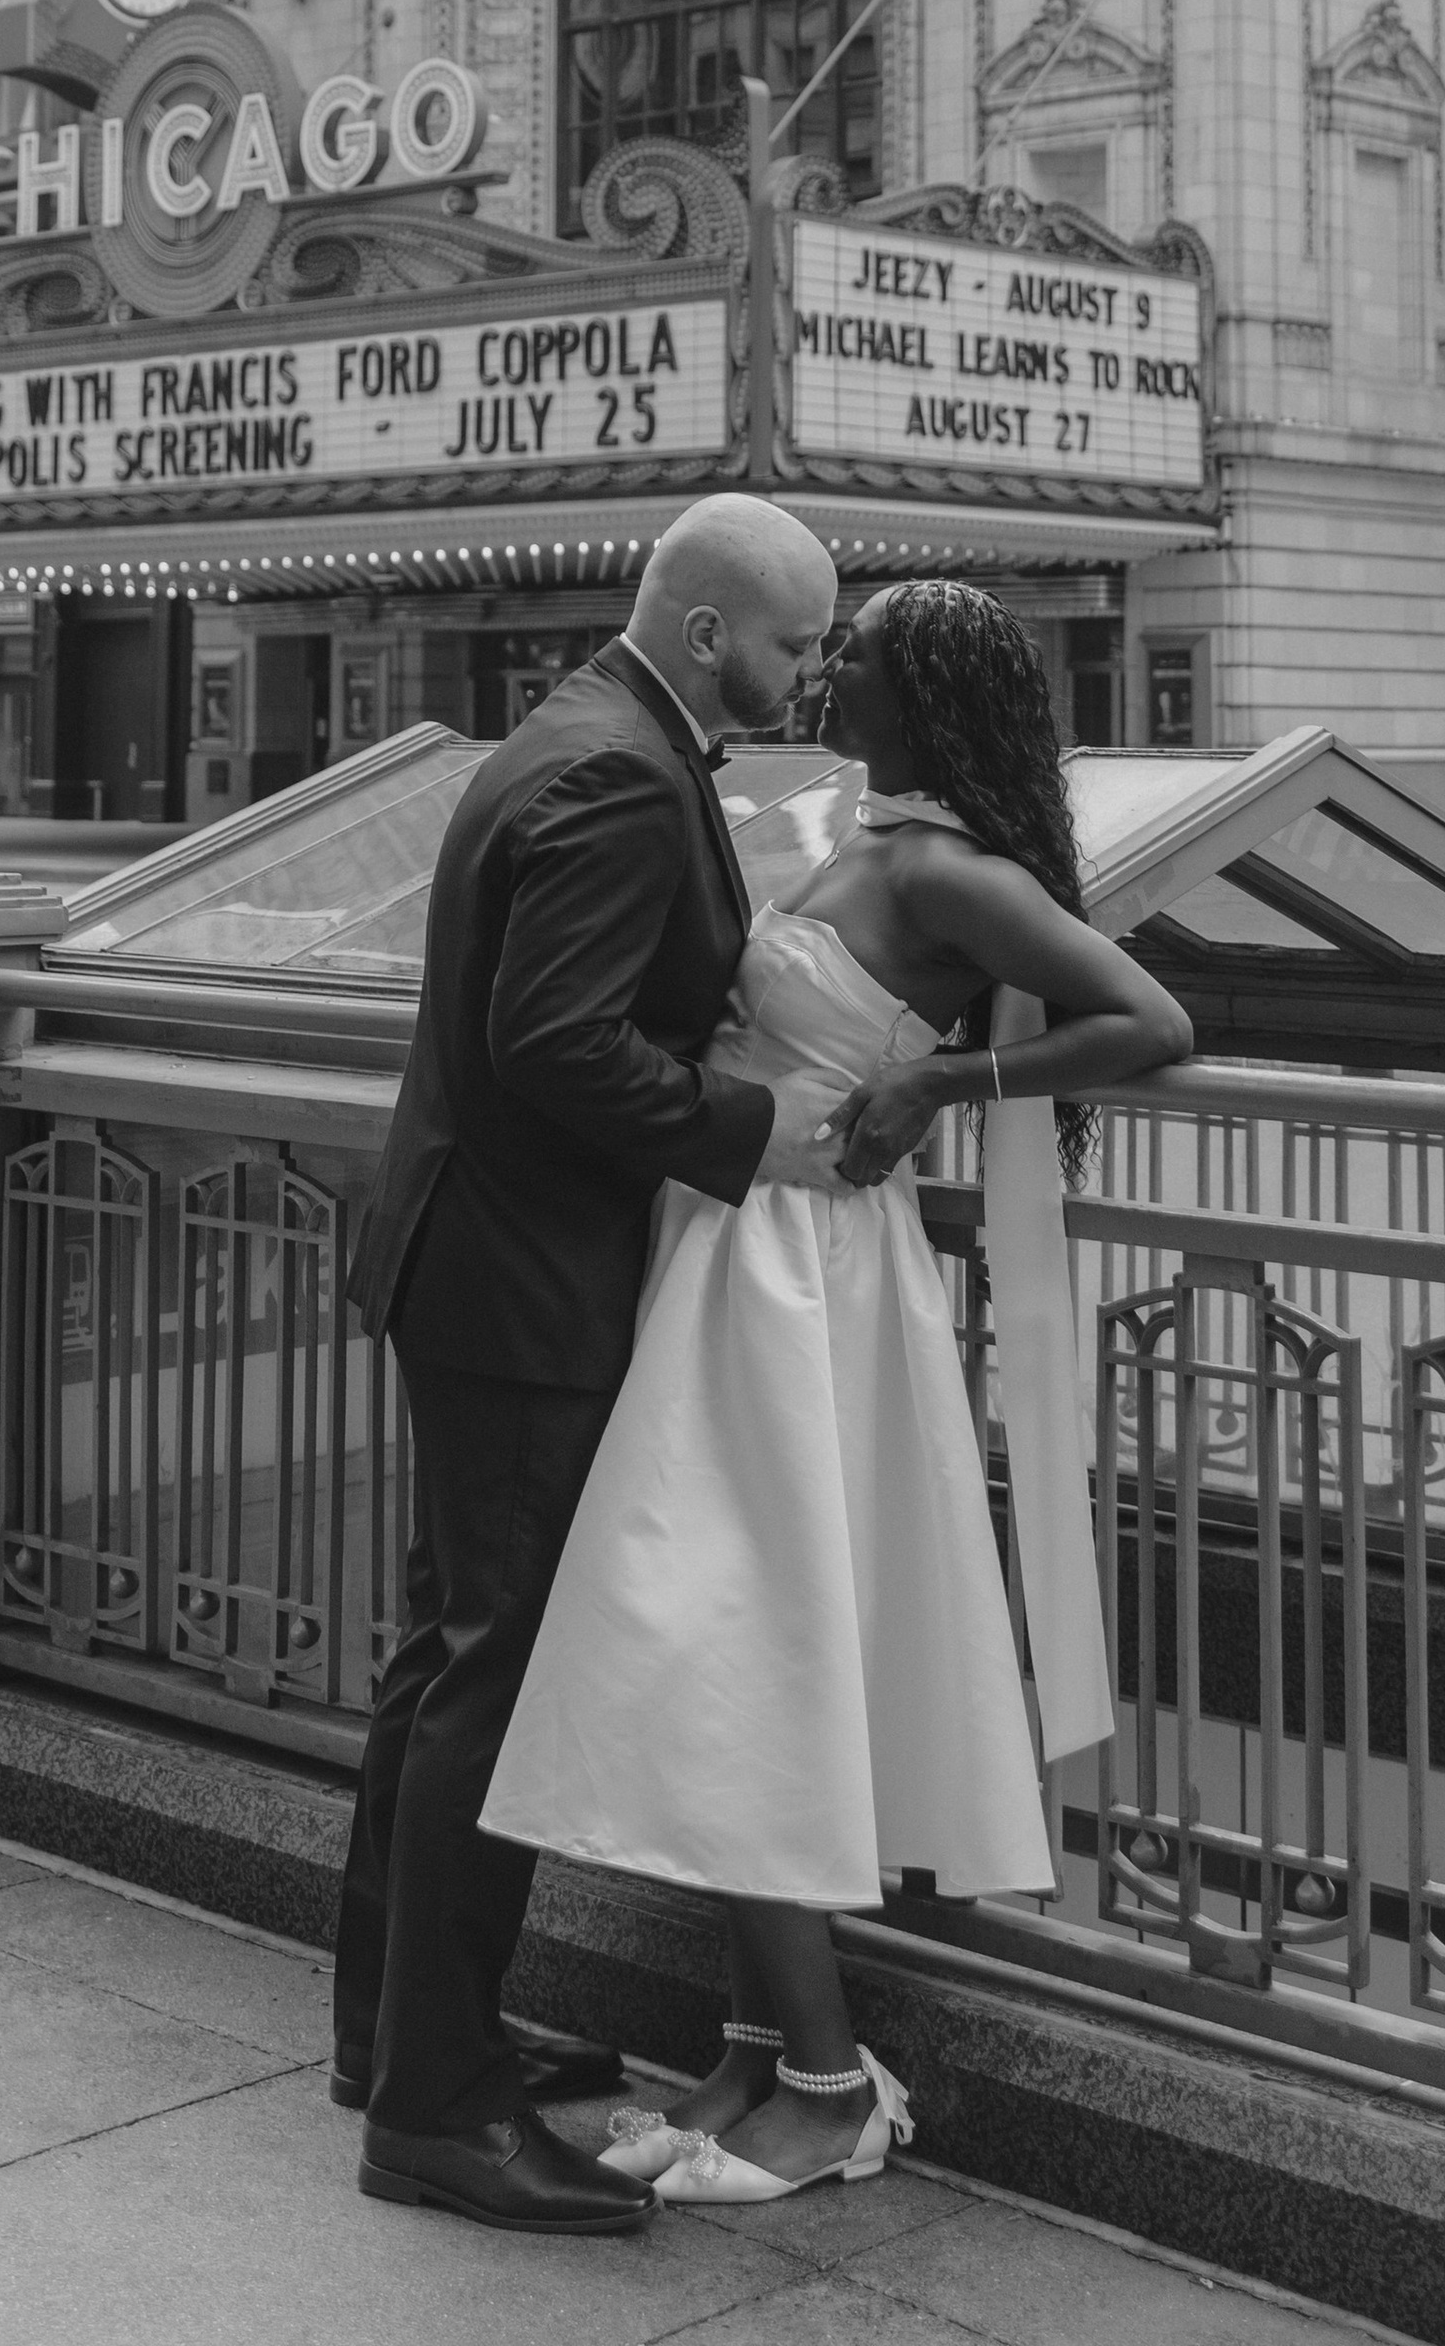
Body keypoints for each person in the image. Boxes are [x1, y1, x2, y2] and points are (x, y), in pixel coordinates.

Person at [483, 577, 1193, 2207]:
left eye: (852, 654)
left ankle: (826, 2082)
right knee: (733, 1639)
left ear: (922, 690)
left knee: (740, 1636)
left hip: (809, 1281)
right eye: (820, 643)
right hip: (738, 1259)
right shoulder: (858, 836)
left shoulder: (945, 868)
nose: (824, 670)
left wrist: (947, 1075)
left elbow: (1147, 1018)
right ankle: (752, 2058)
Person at [336, 491, 853, 2236]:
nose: (811, 667)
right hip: (520, 1290)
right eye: (795, 641)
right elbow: (550, 1041)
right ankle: (432, 2114)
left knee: (440, 1665)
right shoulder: (628, 772)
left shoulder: (592, 731)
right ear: (712, 634)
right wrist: (745, 1128)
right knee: (492, 1682)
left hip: (470, 1263)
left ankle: (402, 2037)